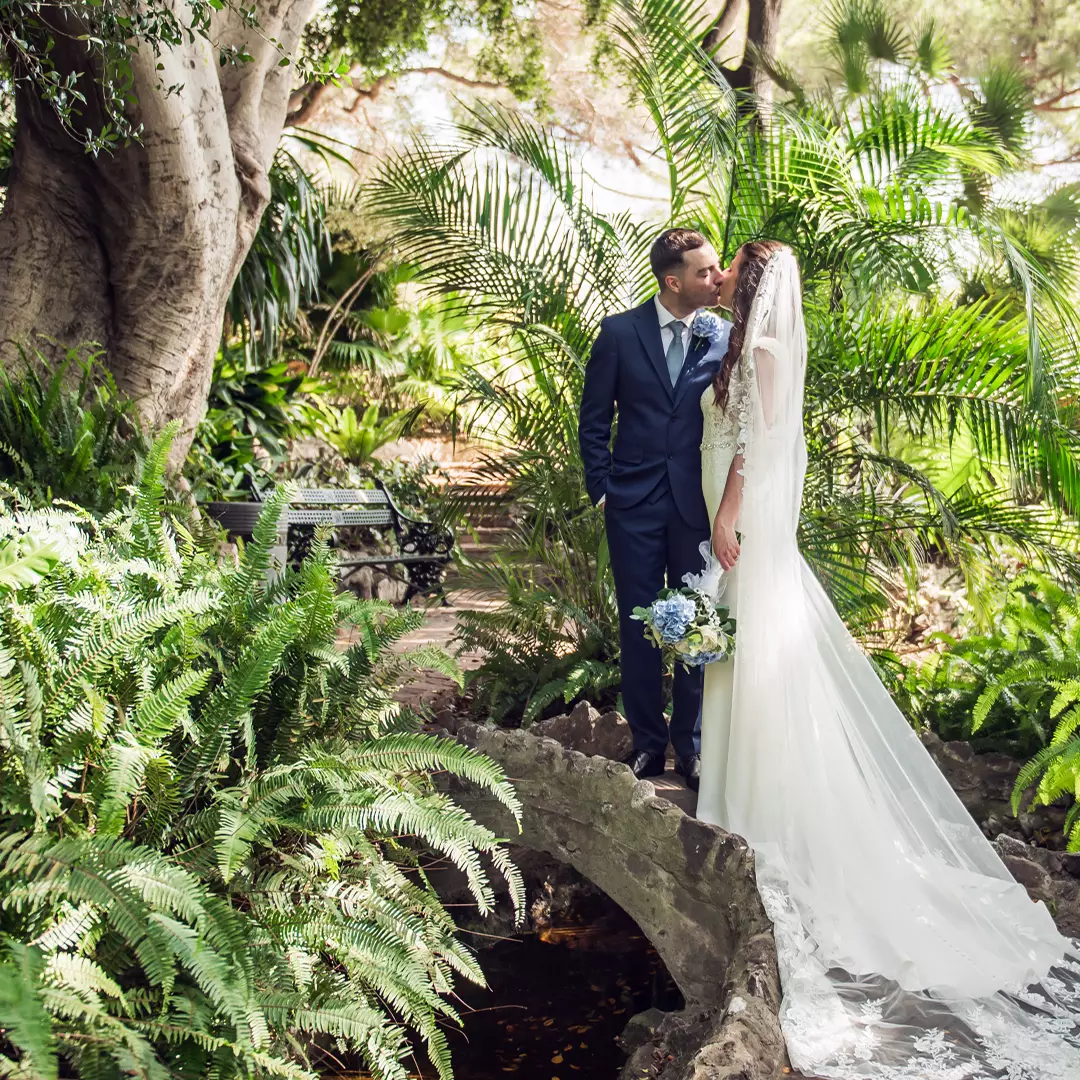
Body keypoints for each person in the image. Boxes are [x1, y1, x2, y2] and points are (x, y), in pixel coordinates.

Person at [696, 240, 1080, 1078]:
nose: (720, 273)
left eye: (733, 267)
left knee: (759, 678)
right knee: (752, 676)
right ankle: (741, 822)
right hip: (754, 539)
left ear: (753, 285)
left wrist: (728, 517)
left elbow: (758, 449)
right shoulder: (752, 345)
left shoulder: (760, 350)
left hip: (752, 533)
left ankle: (763, 834)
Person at [578, 228, 731, 789]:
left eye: (718, 269)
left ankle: (688, 747)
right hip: (632, 505)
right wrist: (603, 488)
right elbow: (594, 420)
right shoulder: (619, 333)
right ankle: (646, 744)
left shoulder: (723, 336)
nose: (716, 280)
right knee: (639, 626)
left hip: (696, 505)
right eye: (704, 272)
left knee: (695, 626)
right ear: (672, 281)